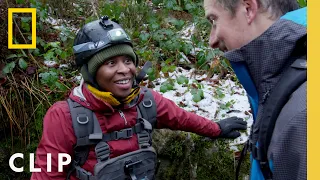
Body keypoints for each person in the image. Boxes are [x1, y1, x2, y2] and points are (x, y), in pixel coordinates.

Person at [30, 16, 247, 180]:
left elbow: (181, 118)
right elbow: (47, 173)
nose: (125, 70)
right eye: (110, 63)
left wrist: (216, 129)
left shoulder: (145, 101)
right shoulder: (65, 116)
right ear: (90, 72)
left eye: (128, 60)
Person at [203, 0, 307, 180]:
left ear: (248, 8)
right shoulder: (284, 79)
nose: (211, 40)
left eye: (214, 20)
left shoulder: (303, 115)